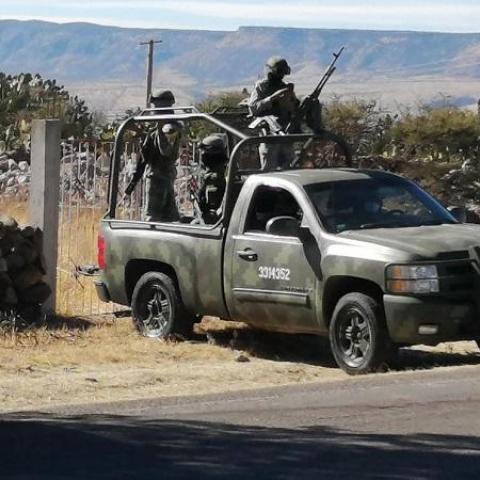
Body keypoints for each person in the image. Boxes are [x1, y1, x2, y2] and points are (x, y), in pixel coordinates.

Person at [126, 89, 182, 222]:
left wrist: (160, 128)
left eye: (155, 106)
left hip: (159, 178)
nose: (153, 110)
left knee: (152, 218)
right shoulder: (156, 129)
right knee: (169, 217)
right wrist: (141, 136)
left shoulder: (170, 128)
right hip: (161, 176)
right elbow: (147, 156)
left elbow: (166, 152)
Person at [248, 56, 299, 170]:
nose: (281, 76)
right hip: (269, 137)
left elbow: (294, 108)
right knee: (268, 171)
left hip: (285, 134)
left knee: (290, 168)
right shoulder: (261, 86)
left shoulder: (284, 86)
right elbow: (253, 108)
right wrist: (272, 98)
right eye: (279, 72)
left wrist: (291, 98)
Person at [197, 134, 228, 224]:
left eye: (204, 153)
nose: (202, 156)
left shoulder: (215, 178)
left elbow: (212, 211)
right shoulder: (224, 170)